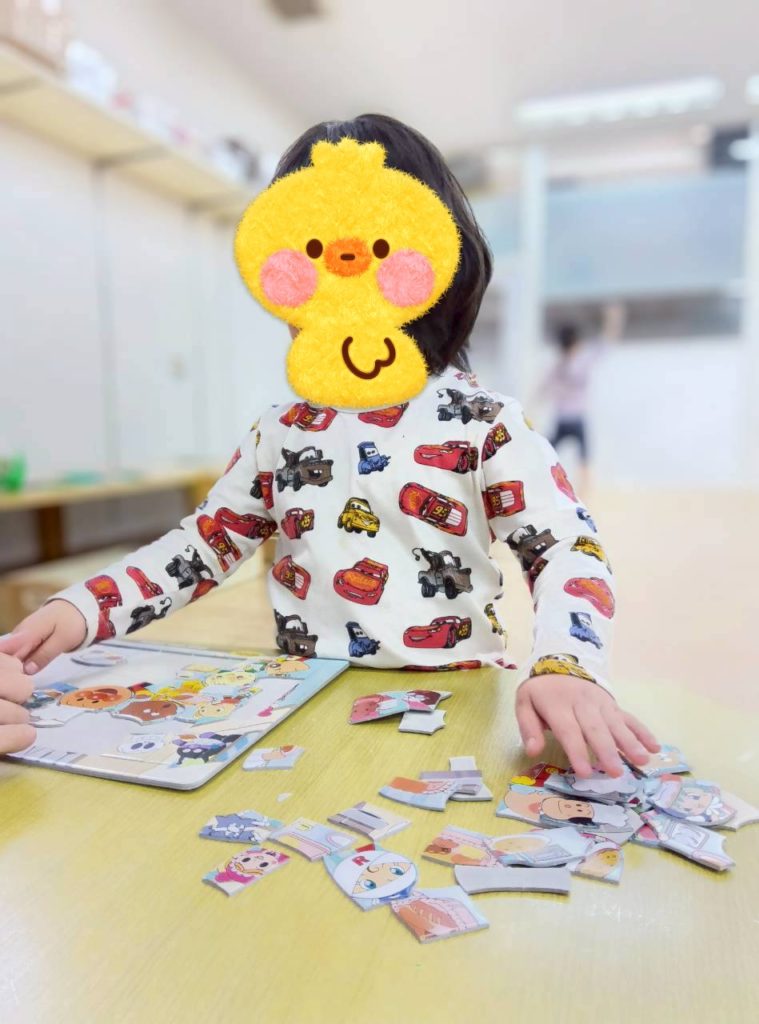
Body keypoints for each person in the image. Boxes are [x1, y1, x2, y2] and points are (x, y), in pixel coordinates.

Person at [0, 114, 658, 779]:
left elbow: (567, 547)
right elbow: (202, 545)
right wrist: (84, 606)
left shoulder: (484, 421)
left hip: (452, 705)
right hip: (302, 709)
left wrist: (566, 664)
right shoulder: (280, 430)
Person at [536, 304, 625, 493]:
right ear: (576, 343)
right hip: (577, 419)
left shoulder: (556, 366)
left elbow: (542, 392)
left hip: (562, 419)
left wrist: (528, 410)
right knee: (584, 460)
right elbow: (606, 342)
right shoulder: (583, 361)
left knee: (547, 455)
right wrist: (613, 319)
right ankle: (584, 495)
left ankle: (544, 487)